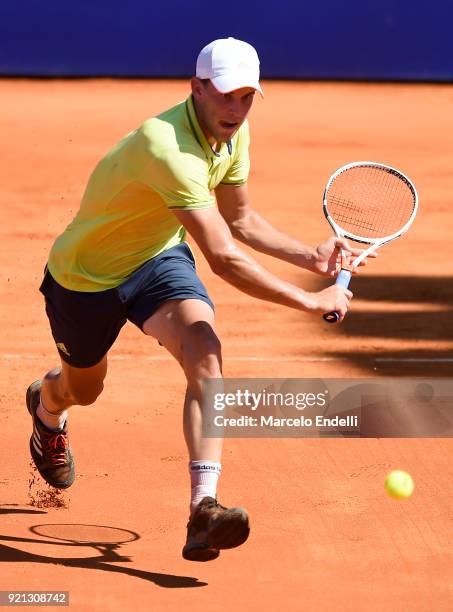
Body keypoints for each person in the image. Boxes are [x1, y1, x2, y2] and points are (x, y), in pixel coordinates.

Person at [27, 37, 370, 562]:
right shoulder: (166, 146)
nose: (236, 108)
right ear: (197, 88)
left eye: (247, 96)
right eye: (226, 95)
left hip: (158, 259)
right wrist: (308, 301)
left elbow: (241, 219)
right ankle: (47, 409)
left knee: (205, 351)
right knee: (81, 390)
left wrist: (311, 257)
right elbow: (224, 257)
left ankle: (203, 508)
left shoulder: (235, 134)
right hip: (85, 277)